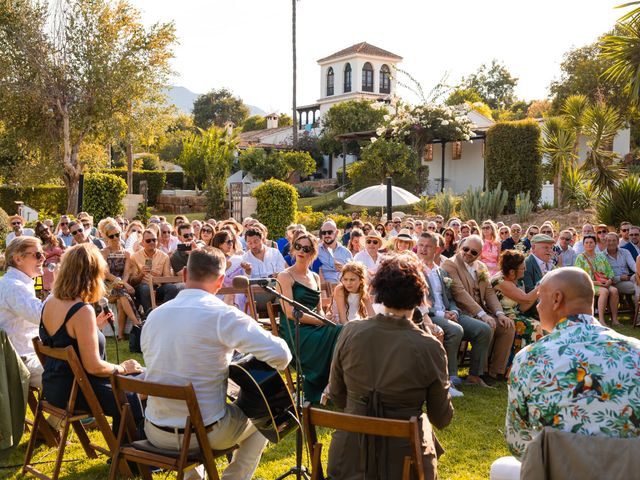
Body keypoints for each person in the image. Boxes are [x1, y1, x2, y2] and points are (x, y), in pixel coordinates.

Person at [141, 248, 291, 480]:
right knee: (265, 417)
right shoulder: (223, 315)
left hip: (155, 429)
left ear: (183, 275)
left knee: (207, 412)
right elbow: (282, 355)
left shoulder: (154, 315)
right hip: (205, 433)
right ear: (221, 282)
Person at [327, 253, 453, 480]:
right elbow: (441, 417)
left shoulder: (351, 331)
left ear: (378, 292)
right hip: (403, 463)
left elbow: (337, 394)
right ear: (419, 297)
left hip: (348, 458)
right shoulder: (430, 347)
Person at [505, 267, 640, 461]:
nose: (537, 307)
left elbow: (517, 442)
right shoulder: (636, 351)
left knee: (502, 465)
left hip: (557, 470)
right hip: (627, 471)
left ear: (557, 299)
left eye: (540, 299)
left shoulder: (529, 358)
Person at [40, 244, 144, 435]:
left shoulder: (51, 301)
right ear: (92, 274)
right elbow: (93, 366)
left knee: (141, 376)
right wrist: (122, 368)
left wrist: (93, 328)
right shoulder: (81, 310)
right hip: (79, 390)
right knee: (136, 389)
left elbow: (63, 339)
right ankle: (133, 457)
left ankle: (130, 452)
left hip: (55, 386)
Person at [417, 232, 489, 397]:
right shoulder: (414, 269)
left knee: (483, 329)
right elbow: (418, 303)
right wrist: (443, 313)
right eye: (420, 245)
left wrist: (454, 311)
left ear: (437, 249)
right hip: (429, 315)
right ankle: (450, 378)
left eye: (427, 246)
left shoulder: (440, 272)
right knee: (455, 330)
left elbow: (450, 298)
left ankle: (474, 376)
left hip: (449, 312)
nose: (422, 249)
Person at [277, 233, 342, 403]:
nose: (301, 251)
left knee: (343, 331)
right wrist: (322, 321)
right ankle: (325, 385)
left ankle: (335, 385)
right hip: (295, 329)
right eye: (297, 246)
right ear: (292, 248)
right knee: (339, 332)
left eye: (306, 248)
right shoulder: (285, 276)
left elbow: (319, 309)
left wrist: (325, 318)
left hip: (315, 325)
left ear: (312, 253)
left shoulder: (314, 277)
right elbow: (290, 313)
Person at [442, 235, 515, 386]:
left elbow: (489, 292)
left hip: (481, 311)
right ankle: (477, 373)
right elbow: (459, 293)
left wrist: (500, 314)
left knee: (508, 325)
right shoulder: (451, 264)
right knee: (487, 326)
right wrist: (482, 315)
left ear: (480, 254)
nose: (468, 253)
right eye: (466, 249)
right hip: (461, 311)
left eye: (474, 252)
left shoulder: (481, 267)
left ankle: (495, 372)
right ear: (460, 247)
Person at [0, 237, 45, 387]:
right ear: (18, 259)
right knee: (73, 376)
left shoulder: (15, 282)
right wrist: (60, 285)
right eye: (37, 255)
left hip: (24, 355)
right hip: (19, 361)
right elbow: (43, 316)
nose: (43, 258)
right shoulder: (14, 286)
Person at [491, 250, 543, 370]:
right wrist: (541, 285)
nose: (524, 270)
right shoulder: (501, 281)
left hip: (514, 314)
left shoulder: (513, 280)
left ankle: (532, 366)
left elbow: (523, 305)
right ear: (512, 271)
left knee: (538, 325)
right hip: (502, 316)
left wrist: (537, 290)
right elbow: (525, 299)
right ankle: (515, 368)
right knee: (532, 326)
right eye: (522, 268)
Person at [101, 220, 141, 340]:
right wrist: (125, 284)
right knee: (122, 292)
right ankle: (138, 323)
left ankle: (120, 335)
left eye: (117, 234)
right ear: (106, 237)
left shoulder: (126, 253)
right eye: (111, 236)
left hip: (121, 287)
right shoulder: (104, 252)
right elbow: (106, 274)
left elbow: (126, 274)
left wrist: (123, 283)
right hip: (107, 287)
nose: (115, 238)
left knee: (121, 298)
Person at [130, 229, 179, 316]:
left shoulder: (164, 256)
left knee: (172, 288)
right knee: (145, 288)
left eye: (154, 240)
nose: (152, 242)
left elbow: (168, 279)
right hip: (142, 288)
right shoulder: (135, 257)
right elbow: (133, 281)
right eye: (148, 241)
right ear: (142, 242)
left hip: (158, 287)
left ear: (157, 241)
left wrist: (157, 278)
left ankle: (164, 315)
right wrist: (141, 274)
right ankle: (149, 316)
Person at [575, 235, 618, 326]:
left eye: (591, 242)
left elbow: (610, 270)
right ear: (583, 245)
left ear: (595, 244)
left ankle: (615, 319)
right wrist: (596, 283)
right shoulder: (580, 258)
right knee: (604, 291)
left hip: (603, 282)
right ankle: (601, 320)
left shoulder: (601, 256)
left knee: (614, 290)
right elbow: (579, 277)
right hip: (588, 284)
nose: (589, 244)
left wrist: (609, 280)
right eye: (586, 243)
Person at [522, 234, 555, 317]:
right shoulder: (526, 264)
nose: (549, 251)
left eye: (551, 248)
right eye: (546, 247)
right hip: (535, 313)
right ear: (533, 248)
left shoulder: (551, 264)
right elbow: (529, 294)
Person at [603, 232, 637, 306]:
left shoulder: (625, 252)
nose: (611, 243)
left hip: (629, 278)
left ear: (618, 241)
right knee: (636, 288)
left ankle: (635, 311)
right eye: (609, 240)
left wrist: (638, 272)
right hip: (613, 282)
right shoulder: (602, 256)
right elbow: (604, 275)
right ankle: (637, 313)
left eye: (614, 240)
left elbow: (633, 265)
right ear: (605, 242)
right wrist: (620, 278)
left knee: (637, 282)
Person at [316, 220, 353, 284]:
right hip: (322, 287)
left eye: (330, 232)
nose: (326, 235)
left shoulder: (346, 253)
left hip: (342, 287)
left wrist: (343, 269)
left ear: (336, 233)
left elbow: (353, 273)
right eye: (324, 233)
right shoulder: (316, 251)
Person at [34, 221, 64, 296]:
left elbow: (65, 254)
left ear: (49, 229)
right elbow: (36, 261)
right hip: (46, 273)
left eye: (45, 229)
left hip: (59, 270)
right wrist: (48, 263)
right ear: (39, 235)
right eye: (41, 232)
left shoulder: (59, 240)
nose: (44, 232)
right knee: (48, 297)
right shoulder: (39, 245)